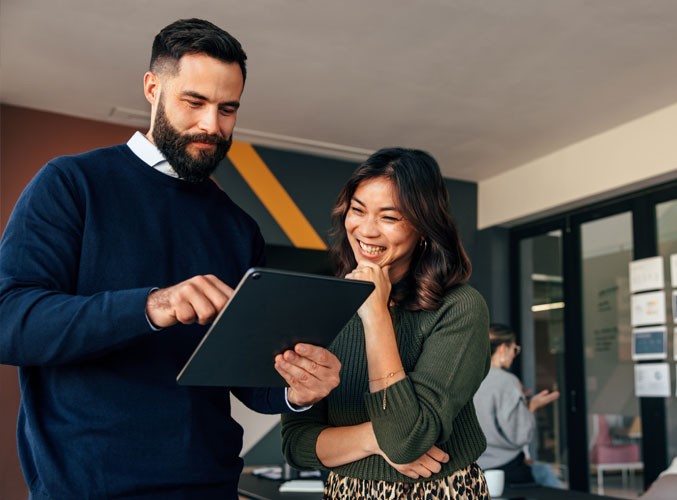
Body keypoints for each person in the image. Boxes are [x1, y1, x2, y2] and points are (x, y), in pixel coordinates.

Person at [0, 18, 341, 499]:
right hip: (86, 490)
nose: (212, 125)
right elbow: (9, 322)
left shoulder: (239, 229)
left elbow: (247, 377)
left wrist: (295, 389)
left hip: (210, 488)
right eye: (195, 102)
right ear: (152, 88)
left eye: (228, 109)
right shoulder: (71, 185)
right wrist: (152, 306)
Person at [280, 147, 492, 498]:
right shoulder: (319, 307)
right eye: (358, 210)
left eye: (389, 218)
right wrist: (373, 439)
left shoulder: (459, 308)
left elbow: (406, 442)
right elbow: (297, 443)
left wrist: (375, 314)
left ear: (423, 228)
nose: (366, 230)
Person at [473, 323, 563, 488]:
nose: (514, 355)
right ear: (502, 349)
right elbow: (520, 435)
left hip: (475, 468)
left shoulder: (468, 378)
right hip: (506, 469)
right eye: (514, 349)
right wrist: (531, 408)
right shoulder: (507, 381)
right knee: (546, 475)